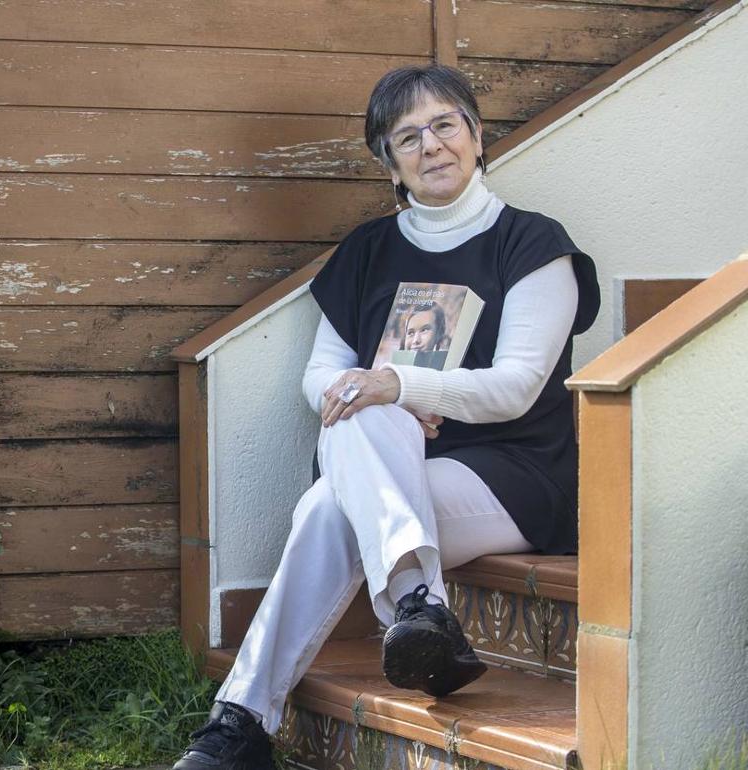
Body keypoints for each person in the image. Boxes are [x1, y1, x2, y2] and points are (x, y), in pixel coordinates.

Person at [171, 64, 599, 770]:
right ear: (387, 163)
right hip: (386, 466)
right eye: (408, 137)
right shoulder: (368, 251)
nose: (431, 146)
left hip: (512, 475)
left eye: (444, 125)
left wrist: (401, 388)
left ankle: (242, 720)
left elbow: (519, 388)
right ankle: (420, 609)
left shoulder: (532, 244)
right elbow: (321, 376)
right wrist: (377, 397)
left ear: (476, 136)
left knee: (332, 497)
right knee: (357, 424)